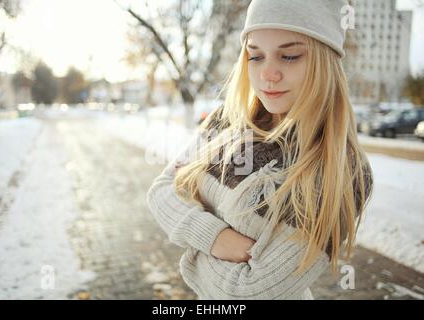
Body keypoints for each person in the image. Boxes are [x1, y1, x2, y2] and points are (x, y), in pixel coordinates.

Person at [146, 0, 373, 300]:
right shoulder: (225, 121)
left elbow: (249, 291)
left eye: (289, 56)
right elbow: (163, 190)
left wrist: (194, 252)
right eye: (255, 56)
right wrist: (215, 238)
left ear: (325, 61)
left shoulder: (340, 170)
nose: (268, 74)